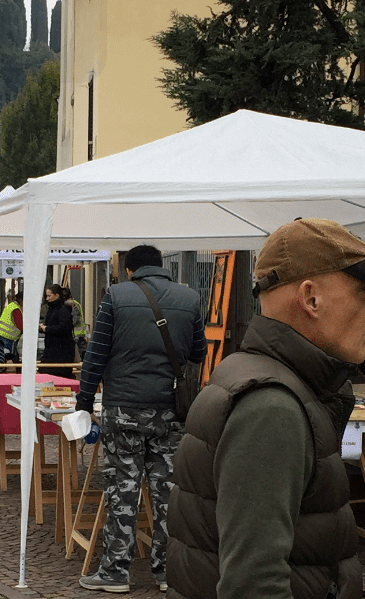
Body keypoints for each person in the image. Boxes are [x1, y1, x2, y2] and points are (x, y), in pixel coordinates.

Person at [165, 218, 365, 599]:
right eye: (364, 290)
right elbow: (254, 586)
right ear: (311, 298)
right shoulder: (272, 407)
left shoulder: (260, 378)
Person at [74, 245, 207, 593]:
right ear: (161, 267)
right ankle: (167, 572)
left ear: (129, 270)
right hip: (171, 410)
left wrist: (84, 402)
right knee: (168, 492)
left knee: (123, 489)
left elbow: (96, 354)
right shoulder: (190, 298)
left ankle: (116, 571)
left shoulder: (116, 296)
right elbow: (198, 352)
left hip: (124, 409)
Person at [39, 284, 75, 379]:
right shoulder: (53, 309)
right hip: (53, 350)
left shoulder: (63, 310)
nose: (47, 299)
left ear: (57, 295)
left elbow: (64, 327)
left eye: (49, 296)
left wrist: (46, 329)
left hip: (60, 352)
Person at [0, 291, 24, 363]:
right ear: (21, 300)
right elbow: (21, 326)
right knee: (8, 357)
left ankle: (0, 367)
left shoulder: (10, 306)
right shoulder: (16, 309)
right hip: (7, 338)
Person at [63, 286, 89, 358]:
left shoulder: (71, 304)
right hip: (80, 331)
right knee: (82, 350)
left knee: (81, 351)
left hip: (76, 332)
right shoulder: (75, 303)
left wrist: (68, 325)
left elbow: (76, 318)